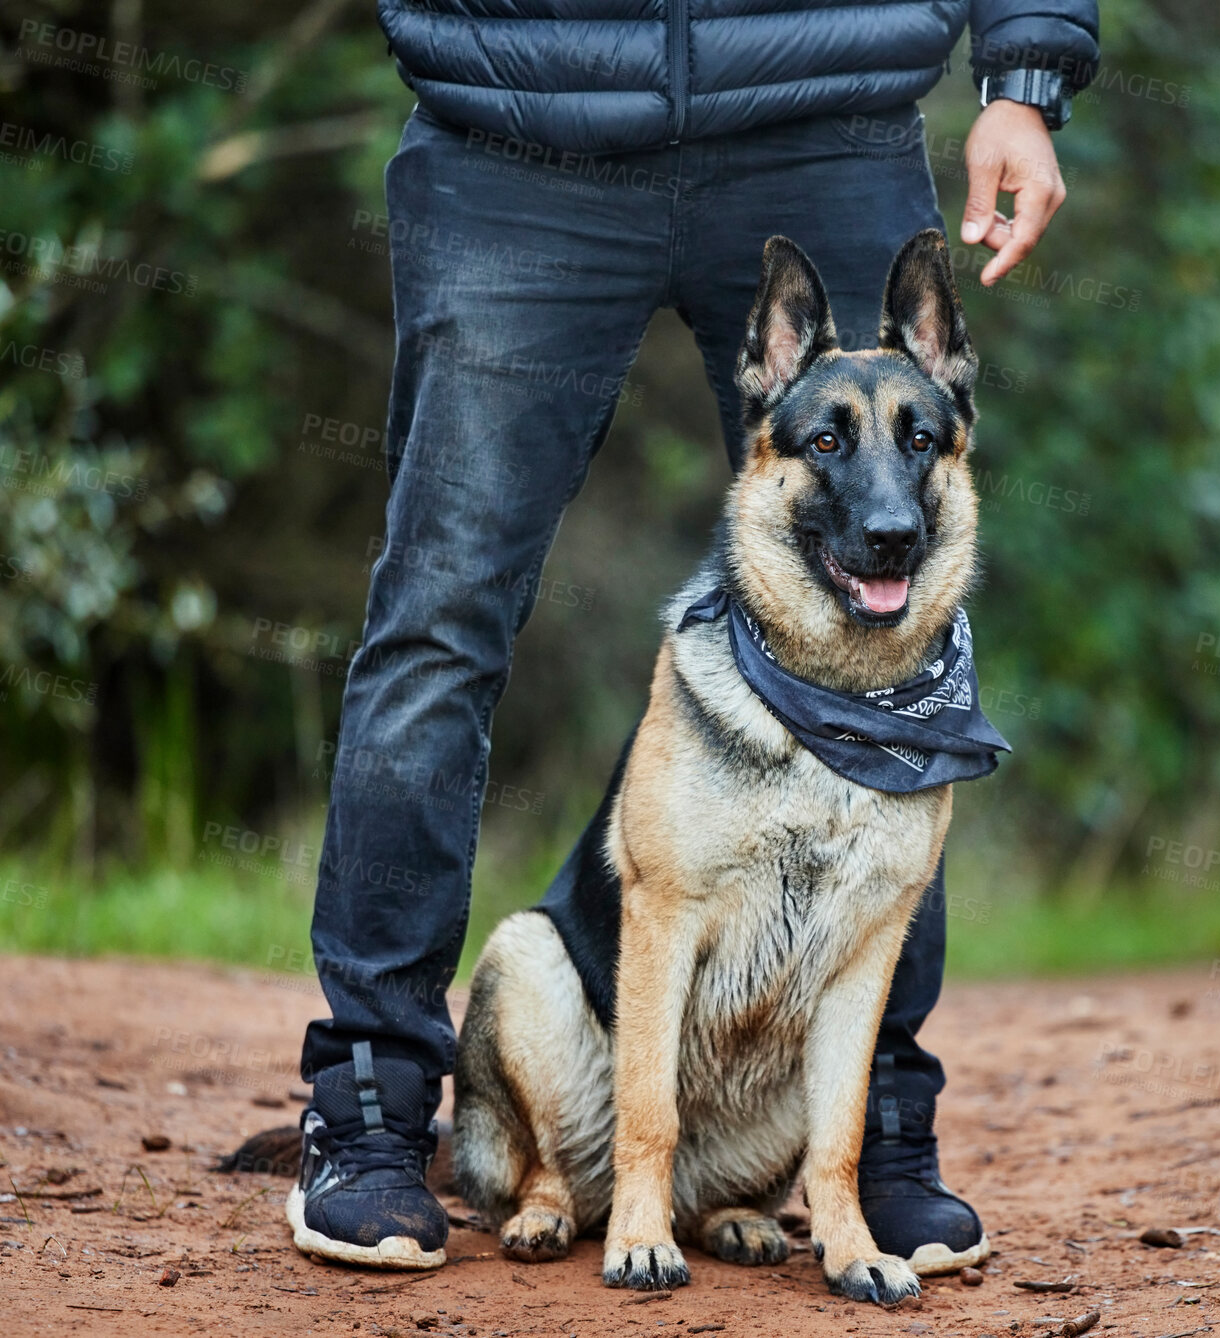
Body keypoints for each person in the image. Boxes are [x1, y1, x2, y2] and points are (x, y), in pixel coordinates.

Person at [289, 0, 1100, 1274]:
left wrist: (1027, 69)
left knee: (895, 607)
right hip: (519, 116)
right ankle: (375, 1112)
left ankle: (873, 1138)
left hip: (827, 91)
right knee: (437, 620)